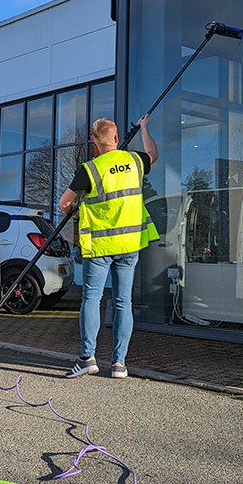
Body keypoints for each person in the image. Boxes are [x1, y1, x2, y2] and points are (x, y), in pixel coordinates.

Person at [59, 115, 159, 379]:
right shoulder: (135, 161)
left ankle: (87, 358)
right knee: (123, 302)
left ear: (94, 141)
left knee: (92, 298)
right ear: (116, 139)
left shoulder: (90, 169)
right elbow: (152, 153)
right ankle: (119, 364)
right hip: (129, 244)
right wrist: (144, 129)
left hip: (100, 247)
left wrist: (76, 207)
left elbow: (63, 203)